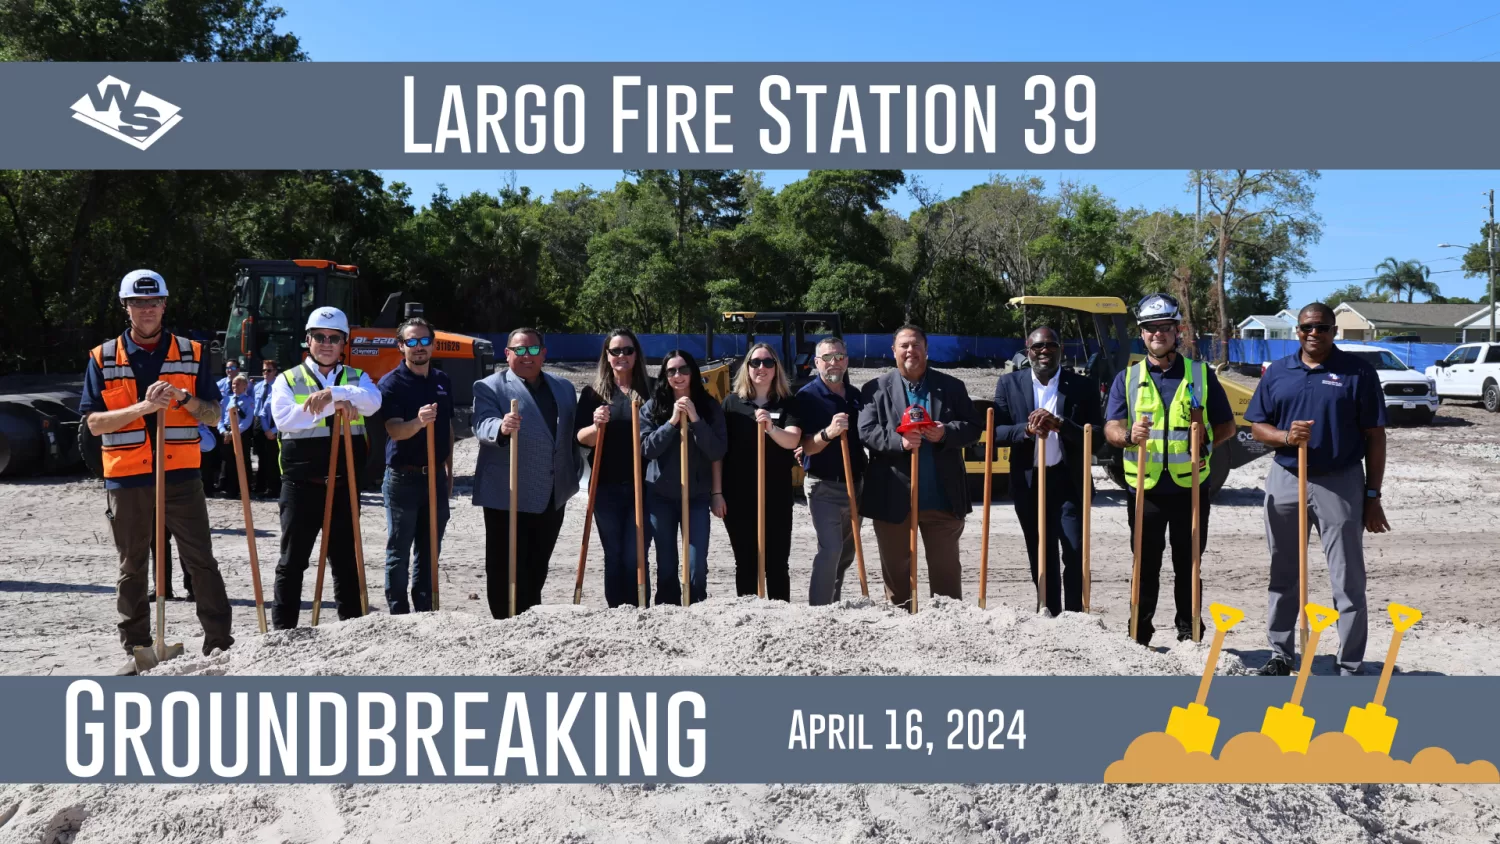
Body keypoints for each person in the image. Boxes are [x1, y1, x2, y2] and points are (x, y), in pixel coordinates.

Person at [79, 269, 233, 674]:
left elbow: (214, 412)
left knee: (200, 559)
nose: (146, 310)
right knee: (132, 564)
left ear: (164, 304)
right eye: (138, 303)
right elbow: (93, 424)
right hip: (127, 477)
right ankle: (137, 649)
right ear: (126, 307)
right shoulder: (102, 356)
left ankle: (218, 642)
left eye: (153, 302)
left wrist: (182, 398)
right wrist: (145, 409)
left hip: (180, 473)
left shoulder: (193, 352)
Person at [1247, 302, 1389, 677]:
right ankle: (1280, 653)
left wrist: (1372, 496)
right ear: (1297, 330)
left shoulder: (1358, 372)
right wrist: (1285, 436)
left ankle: (1350, 662)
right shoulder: (1278, 373)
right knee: (1283, 571)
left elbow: (1375, 436)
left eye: (1322, 328)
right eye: (1307, 327)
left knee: (1347, 575)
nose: (1314, 334)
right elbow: (1257, 427)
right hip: (1286, 477)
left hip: (1340, 482)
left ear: (1334, 331)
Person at [1104, 294, 1236, 644]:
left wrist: (1205, 440)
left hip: (1190, 488)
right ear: (1142, 334)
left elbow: (1227, 426)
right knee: (1145, 566)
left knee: (1188, 565)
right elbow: (1111, 427)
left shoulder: (1201, 375)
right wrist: (1127, 435)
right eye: (1150, 329)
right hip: (1144, 490)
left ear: (1178, 331)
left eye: (1165, 327)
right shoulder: (1127, 379)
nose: (1157, 334)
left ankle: (1189, 631)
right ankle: (1139, 632)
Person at [266, 306, 382, 628]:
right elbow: (286, 418)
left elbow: (373, 403)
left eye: (334, 338)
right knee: (292, 562)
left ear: (344, 342)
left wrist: (337, 392)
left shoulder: (357, 378)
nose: (327, 343)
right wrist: (336, 406)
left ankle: (351, 630)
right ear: (308, 339)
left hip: (344, 485)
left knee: (346, 563)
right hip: (301, 486)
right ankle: (283, 632)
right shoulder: (287, 379)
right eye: (320, 337)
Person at [857, 325, 981, 610]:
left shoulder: (952, 387)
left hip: (942, 499)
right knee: (897, 574)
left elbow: (974, 427)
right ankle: (901, 623)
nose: (910, 350)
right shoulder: (874, 389)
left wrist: (946, 432)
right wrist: (898, 442)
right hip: (892, 499)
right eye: (904, 346)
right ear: (893, 351)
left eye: (915, 345)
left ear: (926, 349)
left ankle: (949, 625)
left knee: (946, 572)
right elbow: (866, 431)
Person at [992, 326, 1104, 616]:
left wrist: (1061, 425)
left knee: (1075, 551)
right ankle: (1048, 612)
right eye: (1037, 347)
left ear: (1060, 350)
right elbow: (997, 432)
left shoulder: (1082, 386)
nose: (1044, 351)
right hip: (1029, 483)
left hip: (1069, 480)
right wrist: (1027, 430)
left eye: (1051, 346)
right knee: (1041, 553)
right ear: (1027, 351)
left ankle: (1076, 615)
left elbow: (1099, 438)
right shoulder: (1009, 384)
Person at [473, 327, 580, 619]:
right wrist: (502, 428)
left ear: (543, 353)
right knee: (503, 565)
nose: (526, 356)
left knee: (537, 563)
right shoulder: (489, 386)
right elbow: (483, 425)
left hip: (551, 492)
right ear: (507, 354)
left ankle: (529, 617)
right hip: (507, 493)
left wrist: (574, 469)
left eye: (533, 350)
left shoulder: (564, 388)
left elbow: (569, 435)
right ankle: (503, 622)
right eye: (519, 350)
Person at [377, 317, 454, 615]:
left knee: (430, 548)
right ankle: (398, 612)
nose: (419, 347)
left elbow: (446, 429)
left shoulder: (442, 380)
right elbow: (395, 430)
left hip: (434, 476)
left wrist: (448, 472)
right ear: (401, 346)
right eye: (412, 342)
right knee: (399, 549)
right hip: (403, 478)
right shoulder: (391, 384)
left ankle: (425, 610)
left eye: (424, 341)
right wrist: (418, 423)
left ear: (433, 345)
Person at [575, 328, 654, 608]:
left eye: (628, 350)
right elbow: (582, 439)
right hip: (605, 485)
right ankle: (616, 611)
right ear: (606, 356)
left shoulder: (652, 390)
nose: (622, 356)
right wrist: (596, 426)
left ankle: (638, 609)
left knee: (635, 553)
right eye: (615, 351)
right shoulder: (593, 394)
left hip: (643, 486)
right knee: (614, 553)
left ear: (637, 355)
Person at [640, 350, 726, 606]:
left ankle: (697, 607)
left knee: (696, 565)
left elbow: (717, 451)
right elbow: (647, 449)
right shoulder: (652, 407)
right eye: (671, 371)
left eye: (684, 370)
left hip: (697, 497)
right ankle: (667, 612)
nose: (678, 376)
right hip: (660, 497)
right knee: (666, 564)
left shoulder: (709, 407)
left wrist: (696, 420)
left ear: (693, 373)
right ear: (664, 376)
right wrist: (673, 422)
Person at [719, 343, 803, 602]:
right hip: (738, 496)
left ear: (776, 368)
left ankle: (780, 618)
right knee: (746, 563)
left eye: (768, 362)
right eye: (755, 362)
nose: (761, 368)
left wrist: (770, 428)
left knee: (777, 564)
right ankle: (748, 617)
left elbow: (792, 440)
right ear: (747, 367)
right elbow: (720, 452)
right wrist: (717, 492)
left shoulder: (788, 402)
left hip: (776, 494)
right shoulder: (732, 403)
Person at [797, 337, 867, 606]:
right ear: (817, 363)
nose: (833, 362)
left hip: (855, 486)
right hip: (823, 486)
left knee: (847, 554)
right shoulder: (806, 398)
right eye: (827, 358)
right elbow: (806, 447)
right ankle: (818, 611)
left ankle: (833, 606)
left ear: (846, 361)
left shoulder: (855, 396)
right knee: (831, 549)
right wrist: (828, 433)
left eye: (839, 357)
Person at [216, 374, 255, 499]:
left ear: (245, 386)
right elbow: (220, 418)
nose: (234, 386)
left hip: (241, 433)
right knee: (228, 462)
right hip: (226, 433)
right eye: (233, 384)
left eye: (238, 384)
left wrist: (234, 433)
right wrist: (223, 431)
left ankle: (244, 490)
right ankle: (230, 489)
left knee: (242, 461)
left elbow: (247, 420)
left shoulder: (249, 401)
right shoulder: (226, 400)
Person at [252, 359, 281, 499]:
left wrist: (272, 429)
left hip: (272, 422)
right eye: (264, 370)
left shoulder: (278, 387)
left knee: (272, 458)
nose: (265, 373)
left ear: (275, 371)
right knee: (261, 457)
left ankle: (273, 487)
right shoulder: (257, 387)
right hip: (258, 422)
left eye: (268, 370)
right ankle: (260, 486)